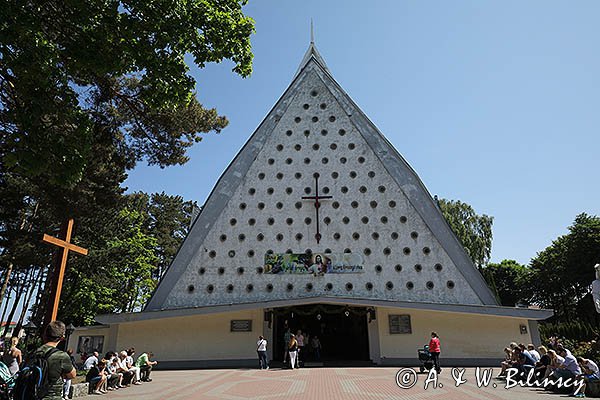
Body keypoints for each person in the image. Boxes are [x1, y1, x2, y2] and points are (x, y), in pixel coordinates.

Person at [35, 321, 77, 400]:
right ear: (62, 337)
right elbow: (72, 375)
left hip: (31, 395)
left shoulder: (33, 353)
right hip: (51, 396)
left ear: (44, 335)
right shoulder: (61, 356)